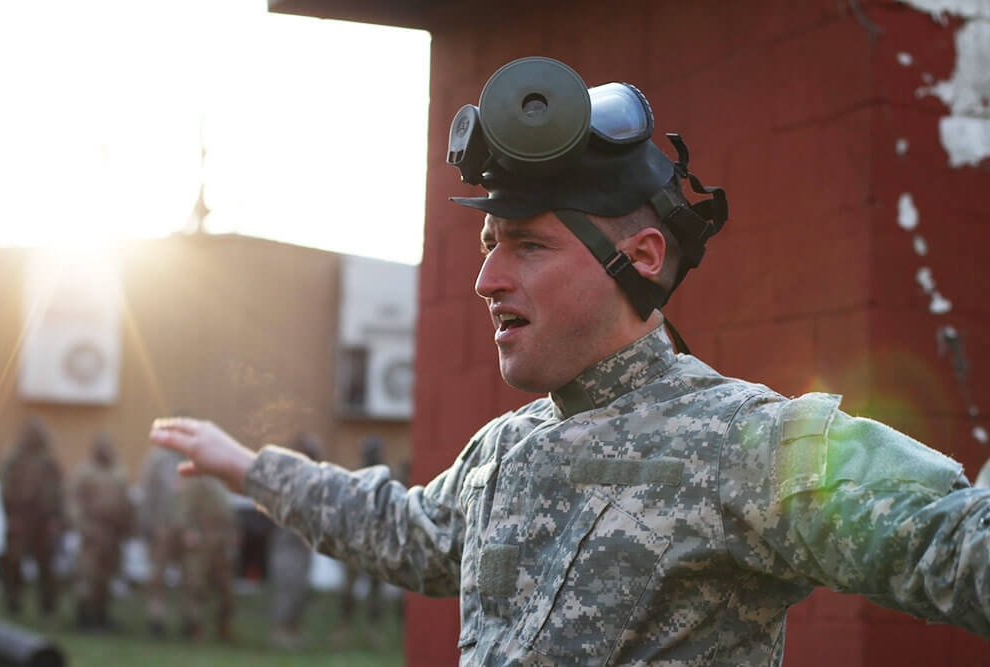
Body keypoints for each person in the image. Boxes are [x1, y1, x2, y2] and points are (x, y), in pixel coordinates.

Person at [151, 56, 990, 665]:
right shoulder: (500, 451)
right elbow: (406, 531)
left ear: (645, 255)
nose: (485, 278)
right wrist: (251, 467)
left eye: (526, 245)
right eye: (487, 243)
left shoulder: (752, 443)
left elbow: (959, 549)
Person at [0, 418, 64, 618]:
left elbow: (58, 491)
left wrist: (56, 518)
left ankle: (48, 608)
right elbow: (4, 488)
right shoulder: (14, 459)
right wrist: (12, 515)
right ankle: (12, 603)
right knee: (13, 562)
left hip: (43, 520)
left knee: (46, 564)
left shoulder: (49, 461)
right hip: (20, 519)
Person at [69, 433, 134, 631]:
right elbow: (74, 502)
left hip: (113, 533)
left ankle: (102, 616)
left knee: (107, 577)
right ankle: (84, 617)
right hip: (92, 531)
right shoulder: (85, 472)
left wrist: (127, 527)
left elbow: (126, 503)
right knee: (88, 575)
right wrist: (82, 526)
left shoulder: (119, 473)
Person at [267, 432, 323, 649]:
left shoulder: (310, 479)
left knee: (300, 589)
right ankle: (280, 632)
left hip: (301, 547)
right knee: (287, 590)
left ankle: (292, 630)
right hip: (287, 546)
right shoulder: (288, 478)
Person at [170, 474, 238, 640]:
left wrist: (232, 536)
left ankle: (224, 627)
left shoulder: (223, 481)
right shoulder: (193, 480)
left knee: (225, 587)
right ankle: (194, 627)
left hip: (220, 540)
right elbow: (182, 508)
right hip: (201, 540)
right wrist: (187, 531)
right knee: (195, 586)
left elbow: (229, 513)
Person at [333, 436, 386, 647]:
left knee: (376, 591)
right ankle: (344, 628)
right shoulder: (353, 476)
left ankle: (374, 631)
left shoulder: (386, 477)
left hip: (377, 543)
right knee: (348, 590)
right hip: (354, 542)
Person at [137, 445, 185, 636]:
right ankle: (156, 618)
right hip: (162, 526)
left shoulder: (193, 458)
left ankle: (189, 620)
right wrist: (148, 525)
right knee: (158, 577)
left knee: (192, 576)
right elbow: (148, 493)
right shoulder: (157, 459)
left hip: (186, 528)